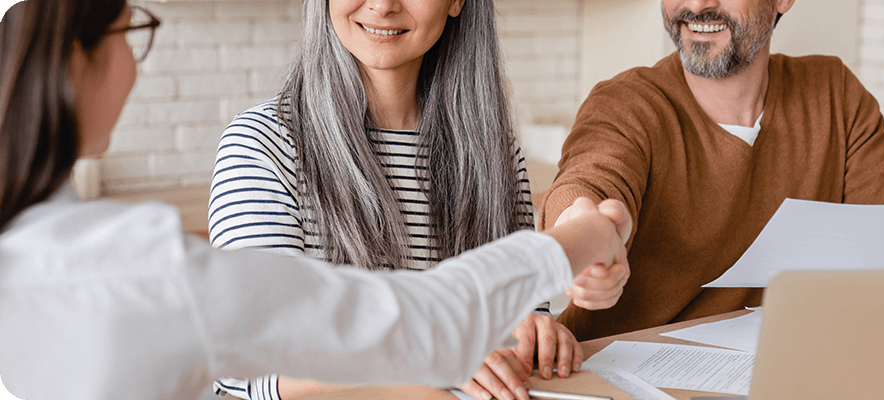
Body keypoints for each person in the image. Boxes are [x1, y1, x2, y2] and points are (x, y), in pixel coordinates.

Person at [0, 1, 632, 399]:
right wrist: (585, 235)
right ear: (77, 62)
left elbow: (506, 315)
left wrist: (527, 329)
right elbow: (254, 371)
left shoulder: (493, 150)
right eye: (133, 32)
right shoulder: (254, 152)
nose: (383, 4)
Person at [206, 1, 628, 399]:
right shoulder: (261, 144)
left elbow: (520, 314)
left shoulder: (494, 151)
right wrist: (422, 355)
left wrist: (535, 332)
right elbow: (244, 359)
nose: (383, 5)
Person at [542, 0, 884, 342]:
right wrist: (582, 231)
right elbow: (587, 182)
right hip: (611, 377)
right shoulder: (626, 103)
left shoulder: (834, 94)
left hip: (769, 372)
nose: (697, 5)